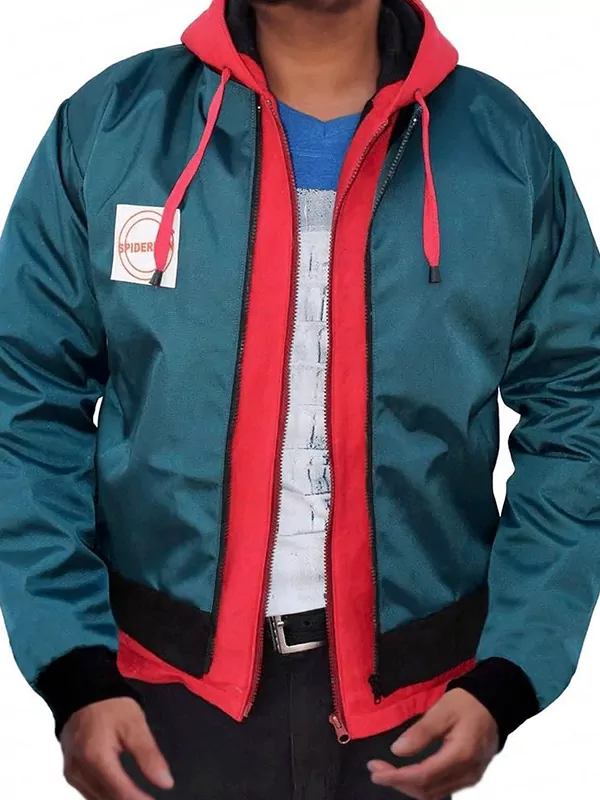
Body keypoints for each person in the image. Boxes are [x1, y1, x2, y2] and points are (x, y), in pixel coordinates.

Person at [0, 0, 599, 797]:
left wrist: (511, 673)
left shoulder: (503, 147)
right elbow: (25, 401)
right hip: (157, 691)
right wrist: (73, 668)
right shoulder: (113, 127)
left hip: (423, 696)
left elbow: (579, 410)